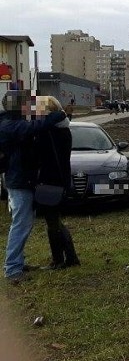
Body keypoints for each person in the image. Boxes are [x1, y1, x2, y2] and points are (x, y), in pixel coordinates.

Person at [0, 90, 67, 284]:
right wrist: (57, 114)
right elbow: (35, 127)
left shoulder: (11, 121)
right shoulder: (10, 125)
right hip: (19, 182)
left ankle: (17, 263)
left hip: (22, 180)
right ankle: (12, 269)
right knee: (20, 225)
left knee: (23, 224)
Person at [33, 96, 79, 270]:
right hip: (60, 179)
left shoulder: (48, 132)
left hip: (50, 179)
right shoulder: (63, 129)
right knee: (55, 221)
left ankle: (59, 260)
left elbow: (39, 156)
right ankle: (70, 258)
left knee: (53, 223)